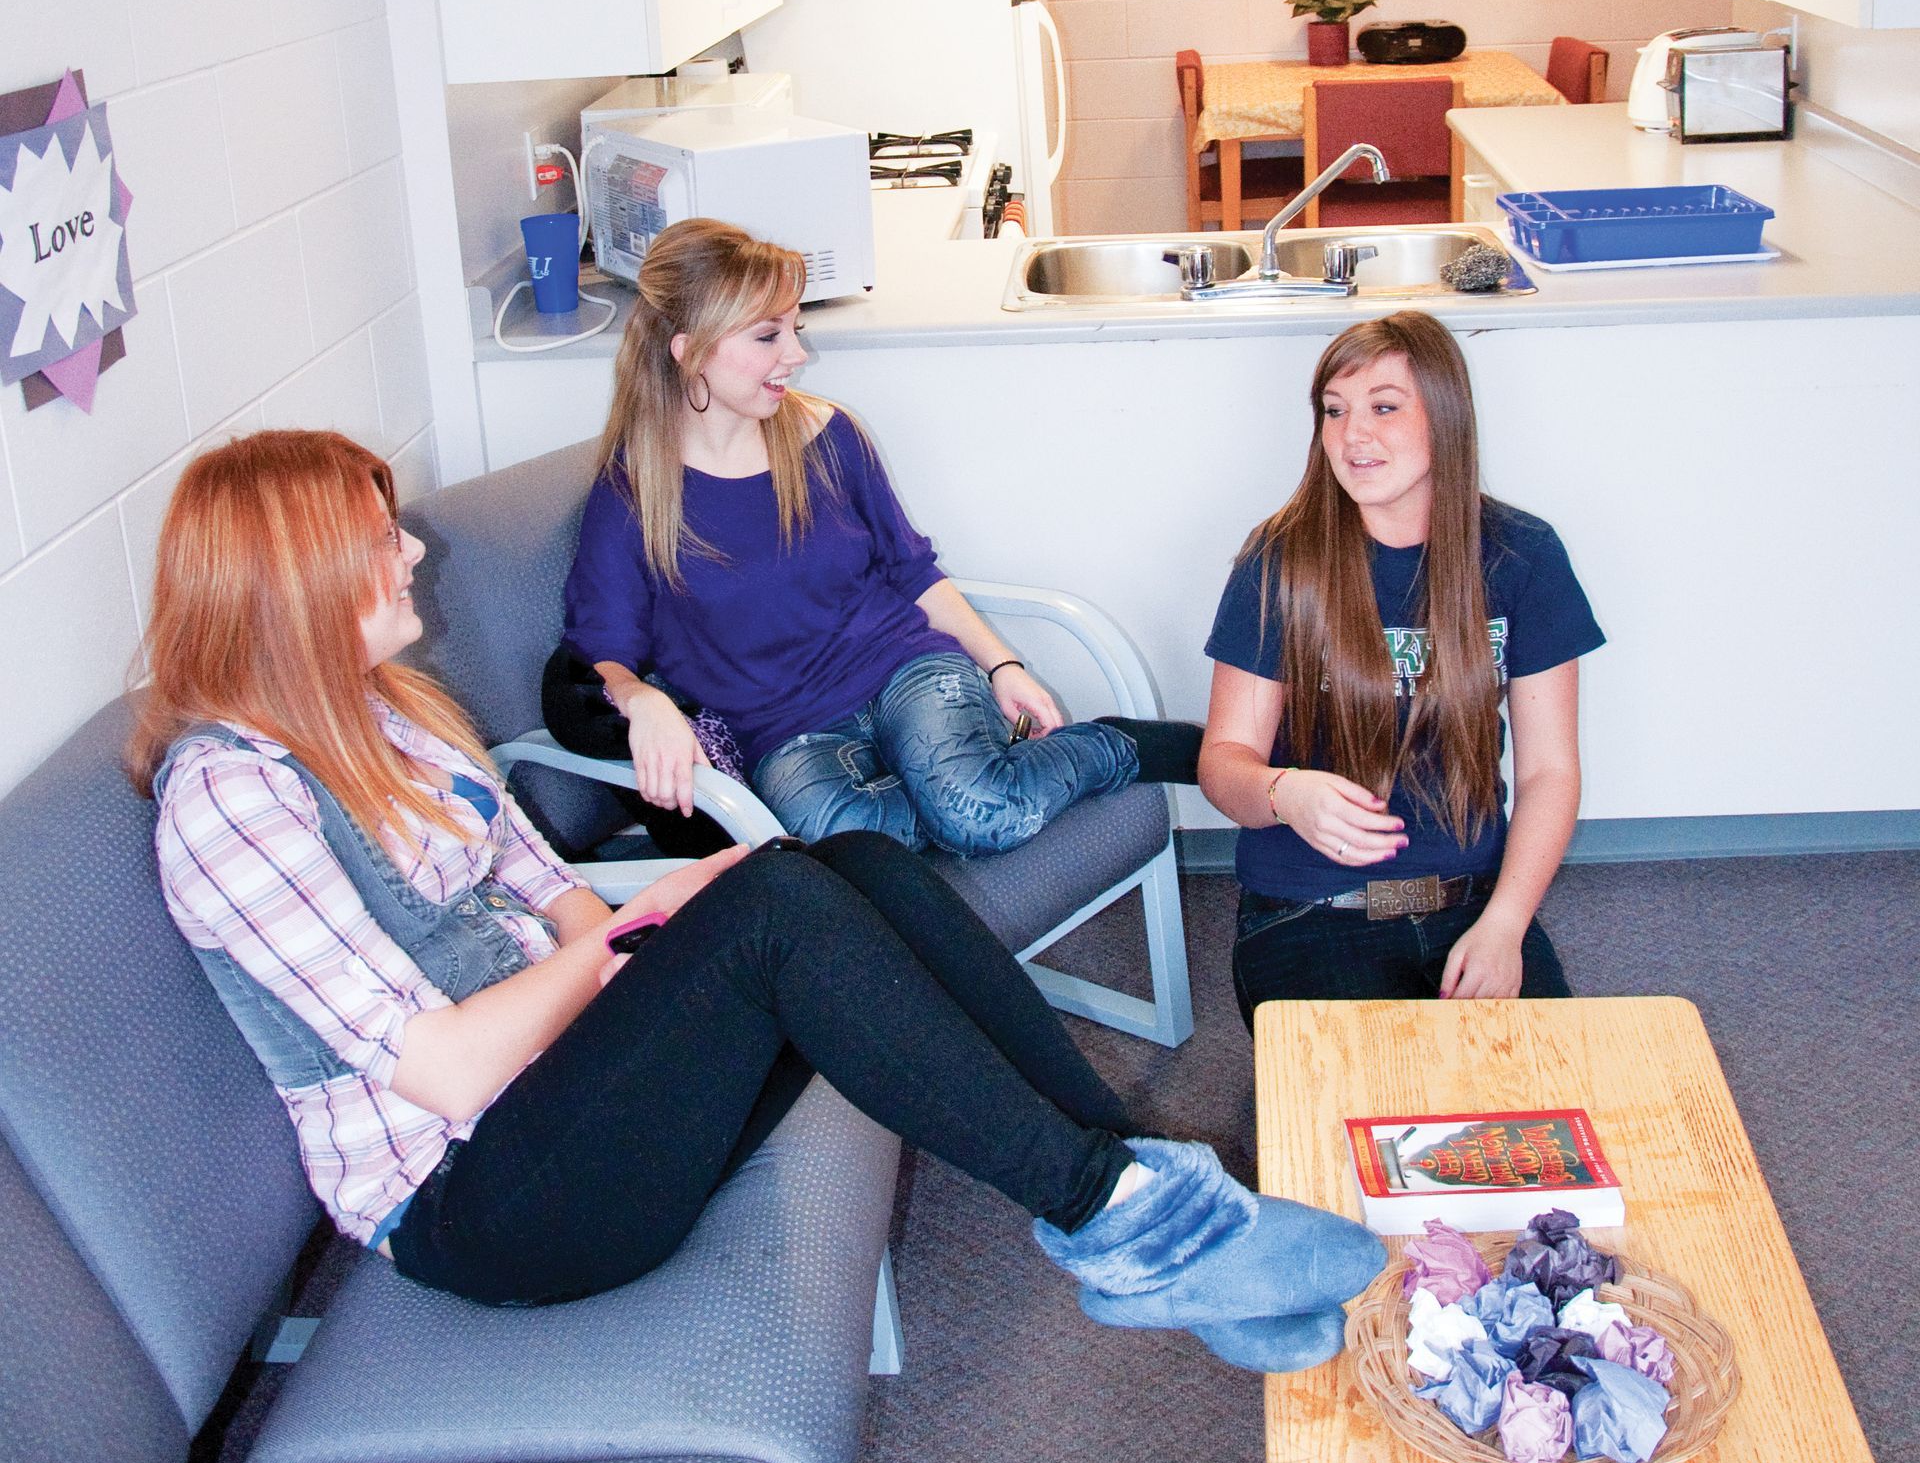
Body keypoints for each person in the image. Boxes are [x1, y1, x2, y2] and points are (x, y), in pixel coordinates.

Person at [134, 430, 1381, 1369]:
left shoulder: (387, 717)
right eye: (377, 536)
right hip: (487, 1201)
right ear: (297, 579)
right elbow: (450, 1073)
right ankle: (1123, 1216)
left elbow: (552, 894)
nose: (409, 549)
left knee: (858, 868)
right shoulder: (228, 802)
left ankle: (1131, 1194)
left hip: (571, 1078)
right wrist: (641, 935)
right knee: (778, 899)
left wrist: (632, 933)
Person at [544, 218, 1196, 857]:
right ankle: (969, 784)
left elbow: (912, 571)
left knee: (982, 817)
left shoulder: (828, 435)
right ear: (689, 350)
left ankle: (1118, 746)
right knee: (855, 858)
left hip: (902, 668)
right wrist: (641, 698)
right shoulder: (634, 495)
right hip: (784, 734)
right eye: (768, 335)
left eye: (794, 329)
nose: (797, 356)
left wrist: (1004, 664)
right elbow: (599, 649)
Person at [1198, 313, 1604, 1022]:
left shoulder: (1523, 555)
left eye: (1384, 406)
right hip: (1309, 910)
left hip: (1472, 902)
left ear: (1444, 417)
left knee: (1536, 1116)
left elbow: (1550, 772)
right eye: (1335, 410)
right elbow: (1224, 765)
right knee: (1361, 1121)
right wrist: (1284, 792)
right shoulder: (1279, 562)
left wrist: (1506, 924)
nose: (1353, 434)